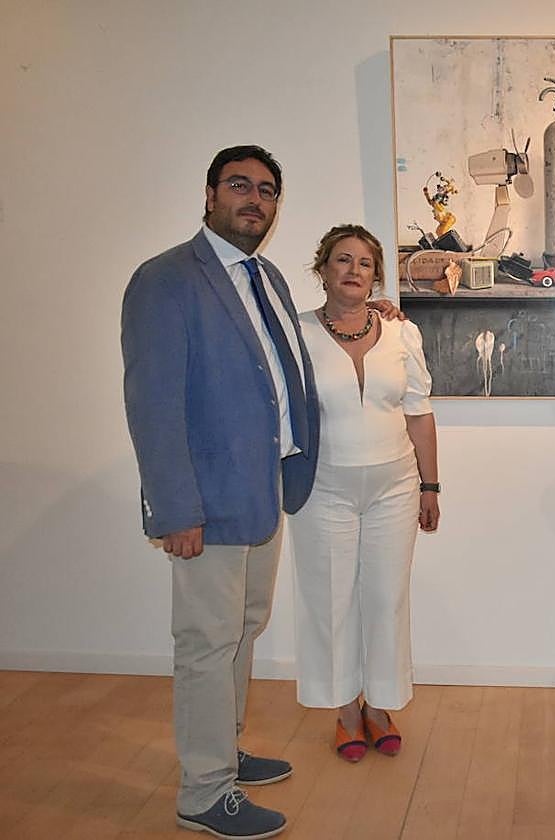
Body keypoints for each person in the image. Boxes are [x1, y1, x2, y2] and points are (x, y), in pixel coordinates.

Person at [122, 145, 315, 840]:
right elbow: (153, 405)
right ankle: (203, 792)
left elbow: (276, 370)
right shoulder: (167, 280)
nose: (254, 200)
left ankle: (223, 753)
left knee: (242, 627)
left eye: (266, 191)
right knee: (205, 640)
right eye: (240, 186)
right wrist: (174, 509)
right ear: (209, 195)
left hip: (259, 487)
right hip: (204, 499)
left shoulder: (266, 279)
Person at [289, 224, 440, 763]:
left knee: (384, 598)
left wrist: (430, 484)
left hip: (395, 487)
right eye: (342, 260)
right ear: (322, 269)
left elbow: (419, 413)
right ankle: (345, 711)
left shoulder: (402, 333)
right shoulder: (295, 332)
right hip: (322, 488)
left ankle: (380, 706)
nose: (353, 270)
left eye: (365, 263)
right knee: (330, 600)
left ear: (377, 275)